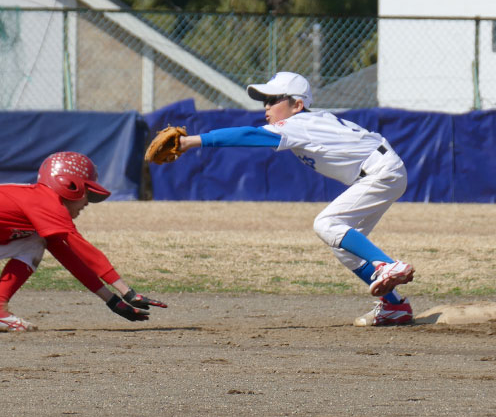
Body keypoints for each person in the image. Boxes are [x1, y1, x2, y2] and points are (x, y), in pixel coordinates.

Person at [176, 71, 415, 326]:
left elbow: (247, 136)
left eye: (273, 100)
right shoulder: (308, 122)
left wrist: (191, 141)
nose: (267, 107)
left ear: (298, 105)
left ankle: (387, 265)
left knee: (326, 224)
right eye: (265, 101)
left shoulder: (299, 124)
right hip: (382, 171)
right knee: (342, 247)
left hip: (380, 172)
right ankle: (394, 306)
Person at [0, 151, 167, 331]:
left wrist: (111, 300)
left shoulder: (40, 201)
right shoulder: (47, 203)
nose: (87, 202)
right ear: (70, 185)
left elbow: (71, 259)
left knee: (35, 243)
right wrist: (127, 292)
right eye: (86, 192)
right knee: (35, 242)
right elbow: (86, 252)